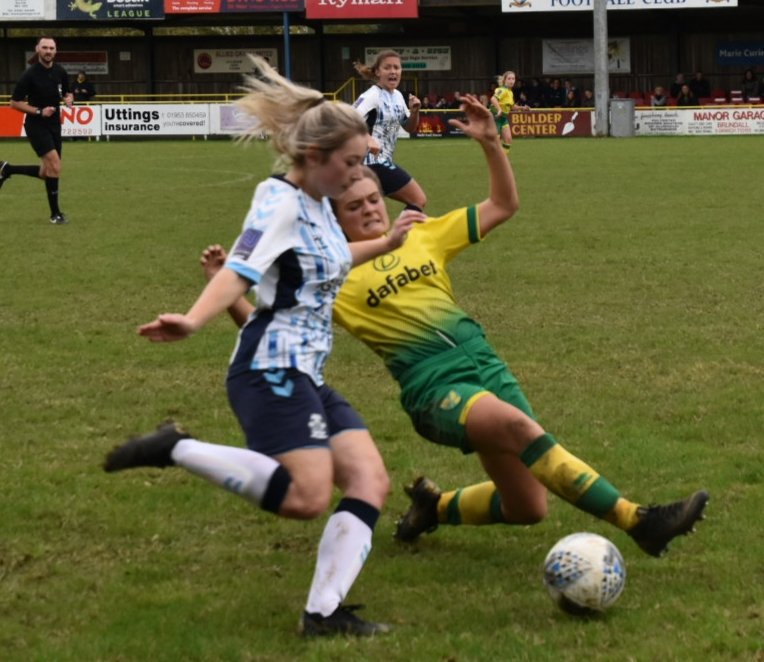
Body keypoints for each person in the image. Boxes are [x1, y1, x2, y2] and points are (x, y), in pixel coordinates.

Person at [201, 94, 709, 561]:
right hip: (432, 386)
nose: (370, 210)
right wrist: (231, 300)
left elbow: (503, 206)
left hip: (486, 365)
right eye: (354, 207)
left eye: (374, 200)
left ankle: (433, 507)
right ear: (335, 219)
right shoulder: (333, 270)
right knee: (517, 428)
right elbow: (271, 329)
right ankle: (638, 519)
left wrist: (492, 145)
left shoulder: (423, 235)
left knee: (529, 505)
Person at [102, 55, 422, 638]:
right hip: (269, 365)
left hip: (307, 372)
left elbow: (327, 259)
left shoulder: (321, 205)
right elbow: (243, 270)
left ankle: (322, 614)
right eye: (351, 163)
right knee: (306, 497)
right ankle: (176, 448)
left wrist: (385, 242)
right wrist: (196, 318)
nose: (359, 174)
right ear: (315, 157)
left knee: (370, 482)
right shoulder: (277, 200)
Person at [0, 36, 73, 225]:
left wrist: (68, 99)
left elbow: (67, 92)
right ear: (38, 50)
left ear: (55, 50)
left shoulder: (60, 72)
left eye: (51, 48)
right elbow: (14, 102)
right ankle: (55, 214)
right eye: (45, 48)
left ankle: (7, 169)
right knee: (55, 166)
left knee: (46, 171)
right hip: (36, 125)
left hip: (55, 125)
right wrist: (39, 111)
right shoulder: (30, 74)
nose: (48, 51)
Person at [352, 50, 426, 211]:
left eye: (396, 68)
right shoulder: (372, 96)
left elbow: (408, 127)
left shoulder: (398, 96)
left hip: (383, 162)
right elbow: (347, 119)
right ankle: (402, 236)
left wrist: (414, 111)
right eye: (387, 68)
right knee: (417, 199)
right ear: (378, 72)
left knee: (370, 213)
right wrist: (368, 138)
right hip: (370, 163)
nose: (393, 71)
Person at [490, 70, 523, 154]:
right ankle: (496, 161)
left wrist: (523, 108)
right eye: (509, 79)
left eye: (513, 79)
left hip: (503, 117)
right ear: (504, 80)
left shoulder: (510, 92)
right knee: (495, 142)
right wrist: (499, 109)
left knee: (508, 139)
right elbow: (493, 99)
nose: (511, 81)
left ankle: (502, 160)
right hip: (496, 116)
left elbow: (512, 107)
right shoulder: (502, 90)